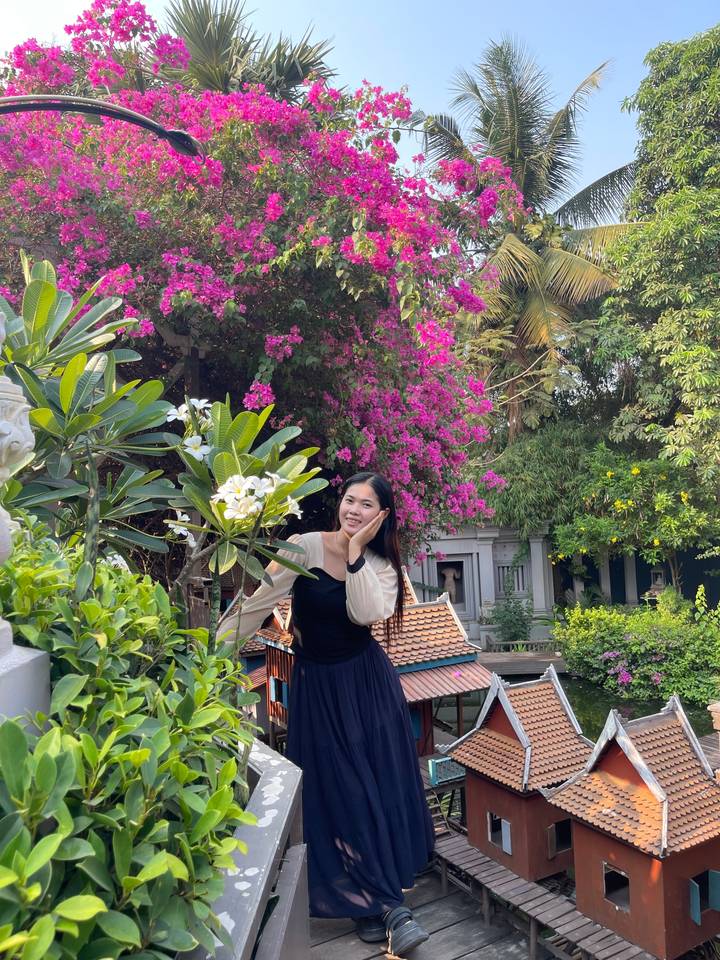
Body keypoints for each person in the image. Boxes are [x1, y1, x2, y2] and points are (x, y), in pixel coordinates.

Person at [219, 471, 435, 954]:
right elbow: (259, 604)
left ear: (382, 516)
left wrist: (356, 552)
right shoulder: (303, 547)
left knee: (371, 784)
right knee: (340, 787)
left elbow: (362, 614)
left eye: (366, 505)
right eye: (349, 500)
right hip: (319, 688)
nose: (353, 511)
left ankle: (374, 902)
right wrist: (209, 650)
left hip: (366, 686)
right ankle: (384, 905)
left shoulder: (381, 567)